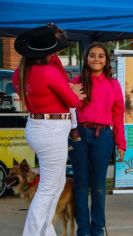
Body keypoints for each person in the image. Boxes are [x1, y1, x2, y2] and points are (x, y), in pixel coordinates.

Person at [12, 25, 86, 235]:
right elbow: (74, 102)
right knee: (47, 189)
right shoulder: (48, 71)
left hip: (39, 127)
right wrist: (75, 93)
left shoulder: (21, 72)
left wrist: (66, 94)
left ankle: (46, 231)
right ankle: (33, 232)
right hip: (51, 131)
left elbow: (44, 96)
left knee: (56, 183)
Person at [69, 42, 126, 236]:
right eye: (92, 55)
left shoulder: (113, 84)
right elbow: (68, 109)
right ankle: (83, 230)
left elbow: (118, 115)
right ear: (86, 59)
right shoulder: (76, 82)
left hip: (104, 137)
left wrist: (121, 143)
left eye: (101, 56)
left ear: (106, 61)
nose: (96, 59)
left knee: (99, 185)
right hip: (79, 135)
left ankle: (98, 230)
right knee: (81, 184)